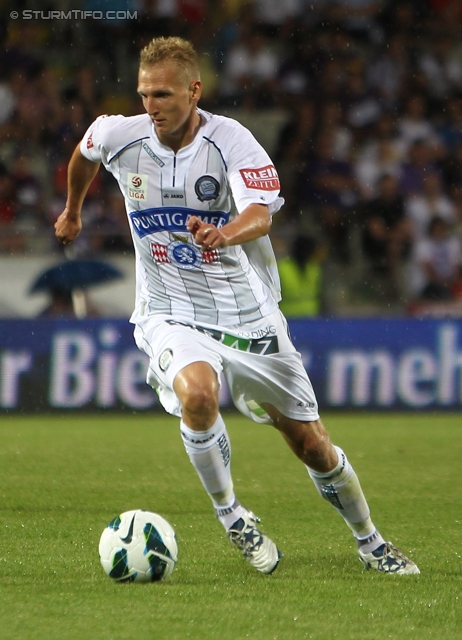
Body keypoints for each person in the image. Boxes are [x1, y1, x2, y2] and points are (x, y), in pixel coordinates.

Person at [54, 36, 419, 575]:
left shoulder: (233, 141)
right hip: (167, 310)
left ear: (194, 91)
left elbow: (261, 214)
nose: (152, 106)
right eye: (145, 94)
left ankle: (371, 542)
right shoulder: (118, 134)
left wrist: (223, 234)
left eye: (164, 96)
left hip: (247, 312)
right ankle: (234, 519)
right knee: (199, 395)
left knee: (312, 444)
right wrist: (72, 212)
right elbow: (83, 157)